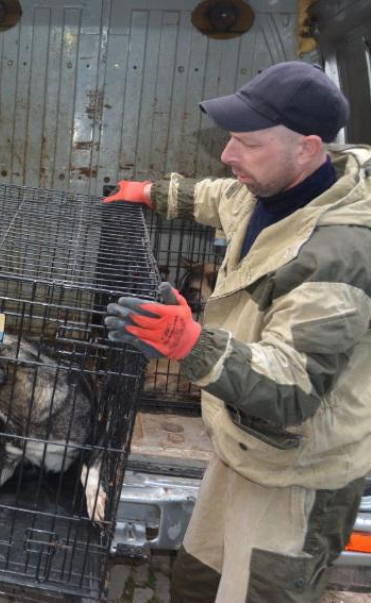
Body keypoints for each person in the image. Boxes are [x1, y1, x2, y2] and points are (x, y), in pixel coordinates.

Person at [103, 61, 371, 602]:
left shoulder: (338, 256)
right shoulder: (270, 190)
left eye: (247, 143)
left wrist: (189, 344)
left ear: (308, 147)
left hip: (300, 471)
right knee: (198, 581)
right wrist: (150, 192)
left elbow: (292, 390)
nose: (228, 155)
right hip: (242, 447)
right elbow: (215, 196)